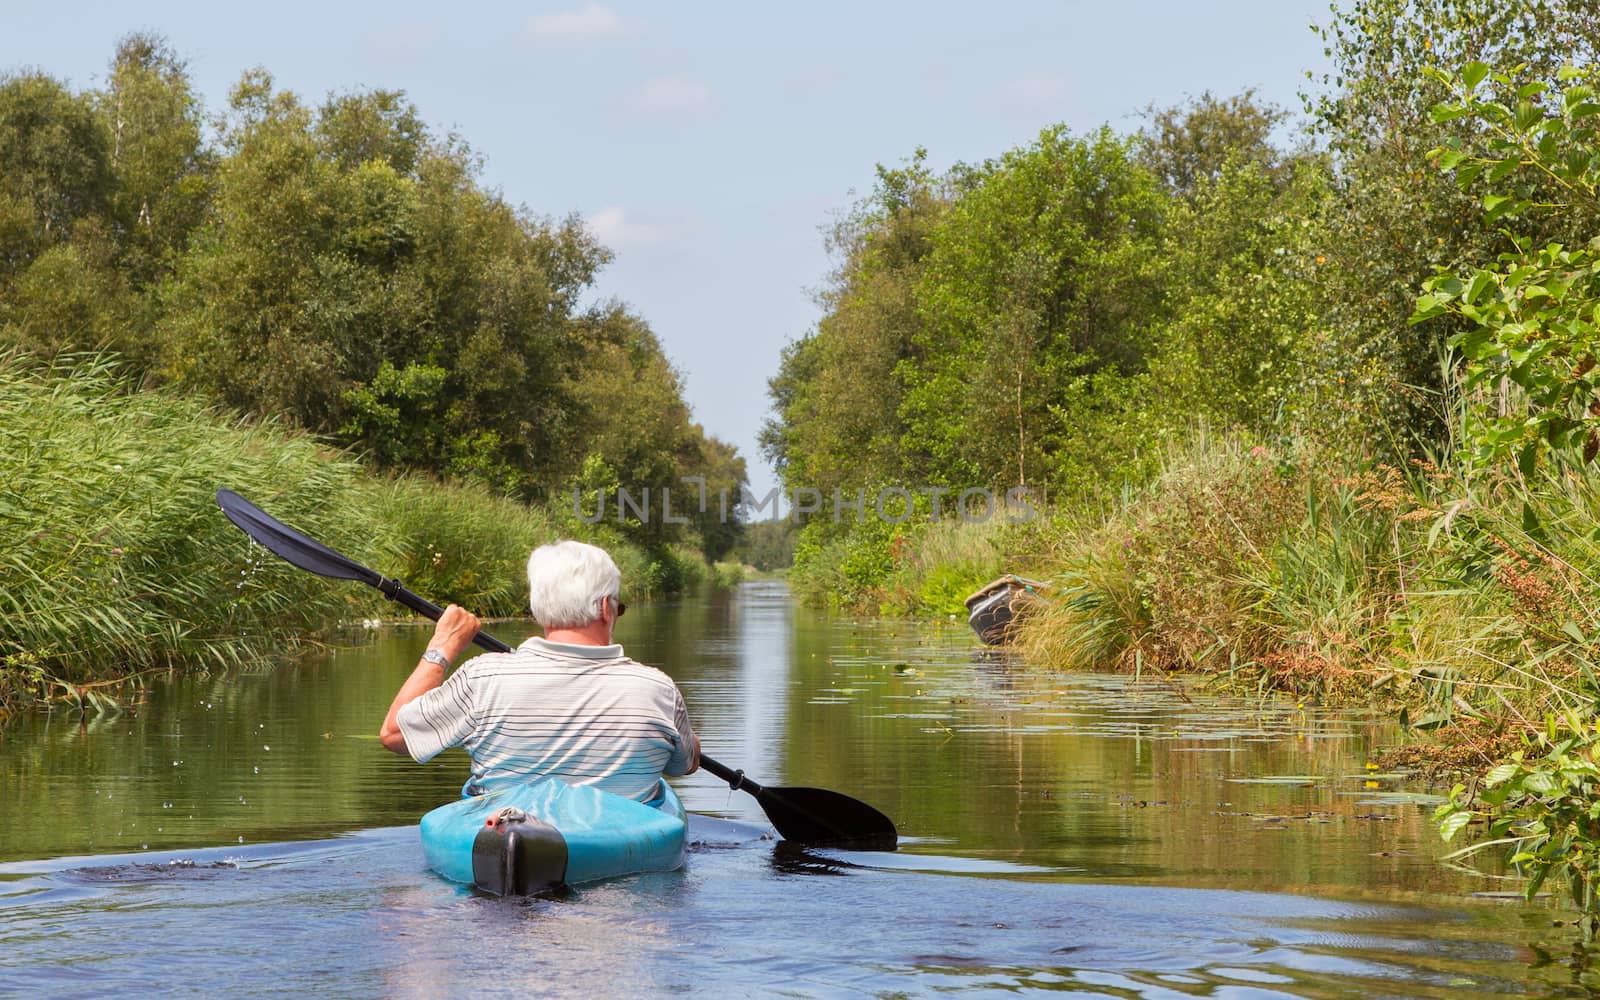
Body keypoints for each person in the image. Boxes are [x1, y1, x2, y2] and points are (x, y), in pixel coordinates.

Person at [378, 540, 700, 802]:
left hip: (505, 836)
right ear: (605, 608)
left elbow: (394, 735)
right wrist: (687, 738)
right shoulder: (658, 690)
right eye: (619, 606)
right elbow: (684, 765)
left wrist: (444, 645)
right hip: (617, 847)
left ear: (538, 606)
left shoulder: (482, 679)